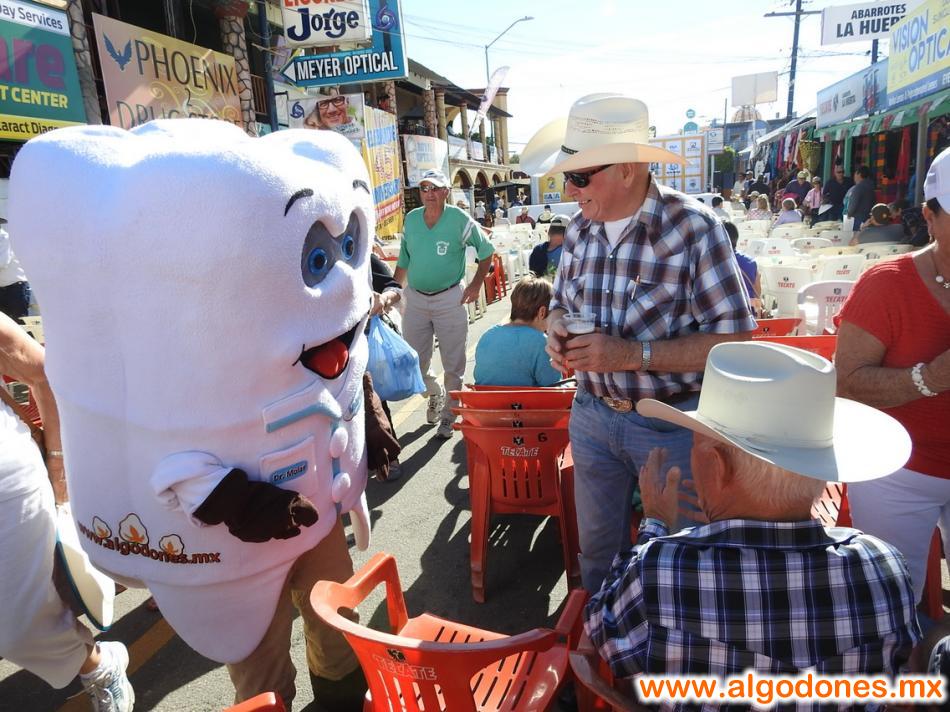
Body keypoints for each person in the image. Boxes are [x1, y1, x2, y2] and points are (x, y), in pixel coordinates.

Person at [585, 341, 920, 699]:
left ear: (717, 466)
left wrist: (654, 524)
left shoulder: (660, 569)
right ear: (819, 470)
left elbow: (603, 633)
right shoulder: (884, 568)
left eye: (696, 445)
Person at [522, 93, 756, 593]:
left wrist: (633, 355)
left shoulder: (694, 228)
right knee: (597, 555)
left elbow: (737, 341)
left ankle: (671, 660)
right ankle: (604, 658)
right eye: (568, 174)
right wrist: (557, 328)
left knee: (680, 559)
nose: (568, 187)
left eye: (581, 176)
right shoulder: (581, 230)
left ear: (627, 169)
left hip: (671, 422)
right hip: (591, 414)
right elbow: (561, 303)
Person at [0, 312, 135, 712]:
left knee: (20, 628)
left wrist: (59, 475)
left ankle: (99, 666)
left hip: (6, 481)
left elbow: (43, 375)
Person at [836, 145, 950, 610]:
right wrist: (930, 378)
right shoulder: (886, 283)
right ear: (929, 216)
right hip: (897, 472)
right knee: (887, 605)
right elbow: (846, 383)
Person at [394, 168, 494, 439]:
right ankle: (434, 393)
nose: (429, 194)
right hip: (415, 298)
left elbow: (486, 251)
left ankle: (450, 414)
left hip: (450, 298)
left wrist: (475, 285)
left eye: (435, 188)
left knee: (453, 363)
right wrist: (392, 290)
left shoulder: (459, 219)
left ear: (446, 191)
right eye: (424, 188)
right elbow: (404, 260)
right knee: (414, 360)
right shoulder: (412, 219)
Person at [474, 276, 562, 387]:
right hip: (527, 404)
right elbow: (555, 387)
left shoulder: (487, 336)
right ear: (542, 312)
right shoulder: (542, 342)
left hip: (484, 403)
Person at [723, 221, 761, 316]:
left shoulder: (713, 261)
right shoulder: (751, 262)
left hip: (723, 319)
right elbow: (758, 293)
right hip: (749, 317)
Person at [0, 217, 31, 322]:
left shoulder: (3, 237)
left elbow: (2, 262)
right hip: (3, 289)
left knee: (19, 325)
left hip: (15, 289)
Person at [528, 214, 570, 278]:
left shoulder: (537, 250)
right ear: (567, 233)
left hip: (541, 286)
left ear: (549, 232)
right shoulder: (569, 251)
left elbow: (532, 275)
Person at [846, 165, 875, 231]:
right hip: (868, 219)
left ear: (859, 174)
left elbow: (853, 205)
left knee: (856, 238)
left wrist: (849, 214)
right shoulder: (871, 187)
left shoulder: (858, 187)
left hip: (857, 220)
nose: (854, 176)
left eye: (855, 174)